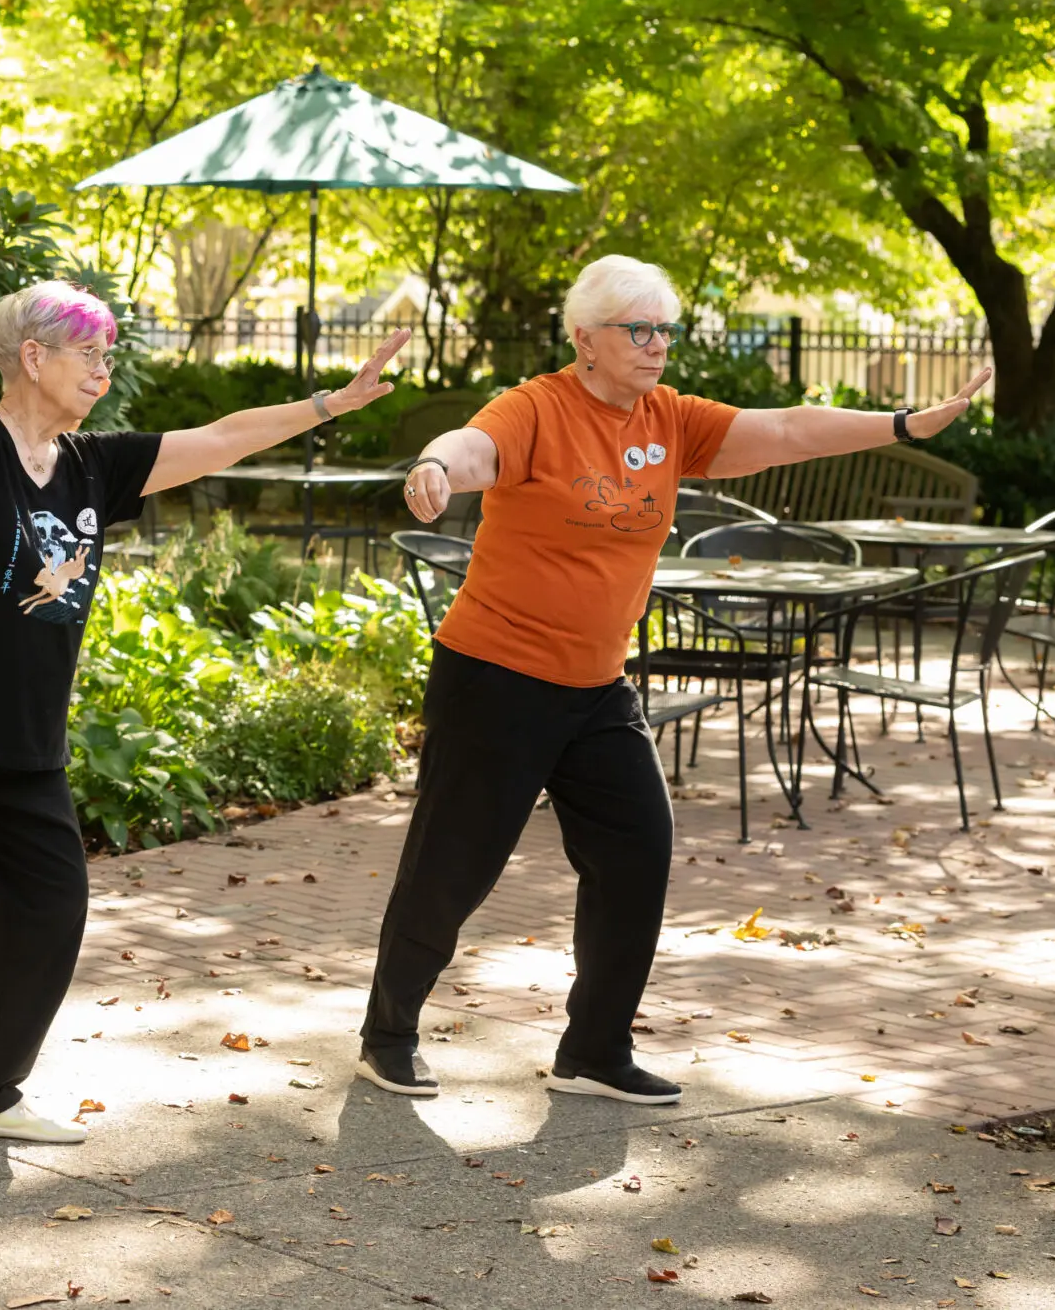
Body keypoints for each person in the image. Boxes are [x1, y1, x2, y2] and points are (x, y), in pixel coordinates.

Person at [0, 281, 412, 1169]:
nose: (104, 368)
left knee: (46, 911)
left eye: (107, 354)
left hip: (24, 750)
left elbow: (218, 440)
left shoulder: (93, 463)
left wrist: (330, 402)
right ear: (33, 357)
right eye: (88, 353)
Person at [362, 254, 989, 1106]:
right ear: (586, 339)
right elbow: (473, 447)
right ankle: (389, 1034)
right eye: (639, 330)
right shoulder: (538, 407)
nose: (657, 346)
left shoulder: (671, 417)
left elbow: (791, 431)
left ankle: (593, 1050)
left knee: (637, 852)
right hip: (496, 676)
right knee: (452, 866)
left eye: (665, 329)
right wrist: (435, 467)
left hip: (596, 687)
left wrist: (907, 423)